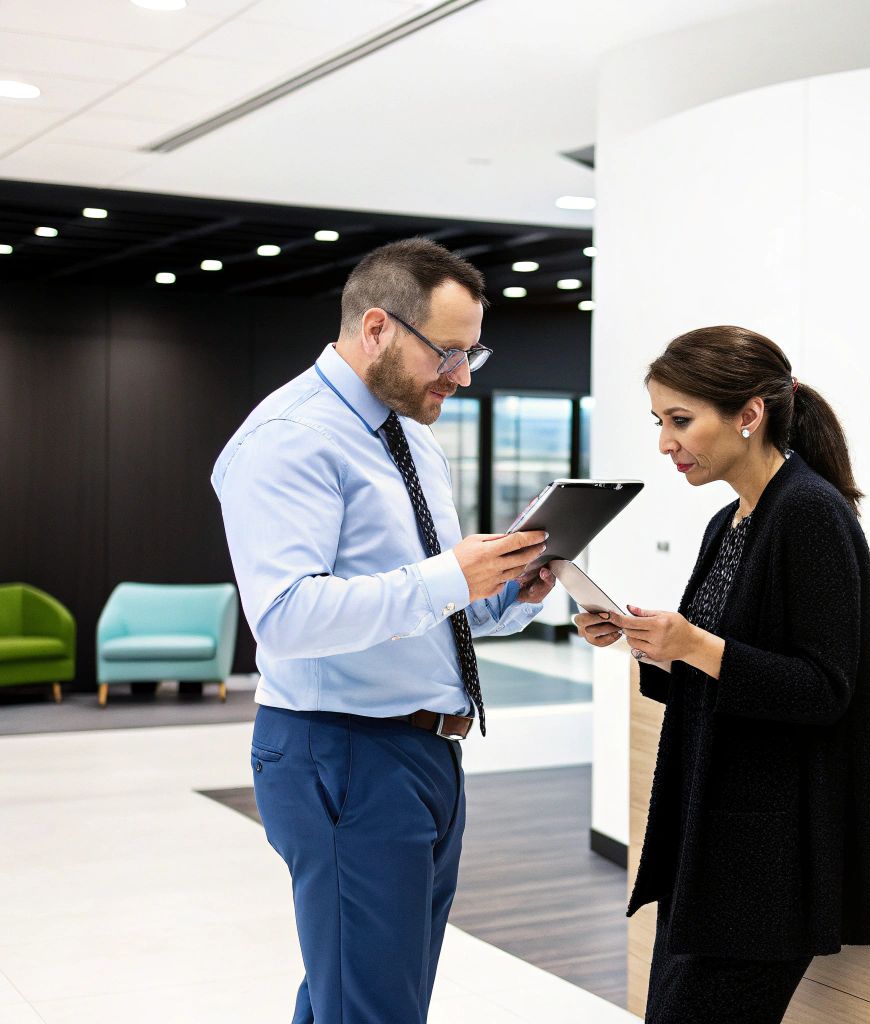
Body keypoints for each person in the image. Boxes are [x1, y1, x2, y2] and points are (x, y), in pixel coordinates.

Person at [212, 238, 555, 1024]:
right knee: (371, 1007)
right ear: (377, 328)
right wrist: (451, 576)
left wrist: (510, 589)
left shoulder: (412, 438)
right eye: (450, 352)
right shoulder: (291, 438)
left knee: (362, 995)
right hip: (340, 753)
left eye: (474, 352)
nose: (463, 375)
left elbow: (426, 606)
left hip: (423, 755)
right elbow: (286, 618)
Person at [575, 325, 870, 1024]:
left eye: (681, 421)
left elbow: (825, 688)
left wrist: (695, 646)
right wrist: (652, 646)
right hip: (712, 841)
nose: (665, 443)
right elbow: (720, 670)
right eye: (660, 422)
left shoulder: (810, 514)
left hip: (763, 860)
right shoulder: (733, 518)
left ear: (749, 415)